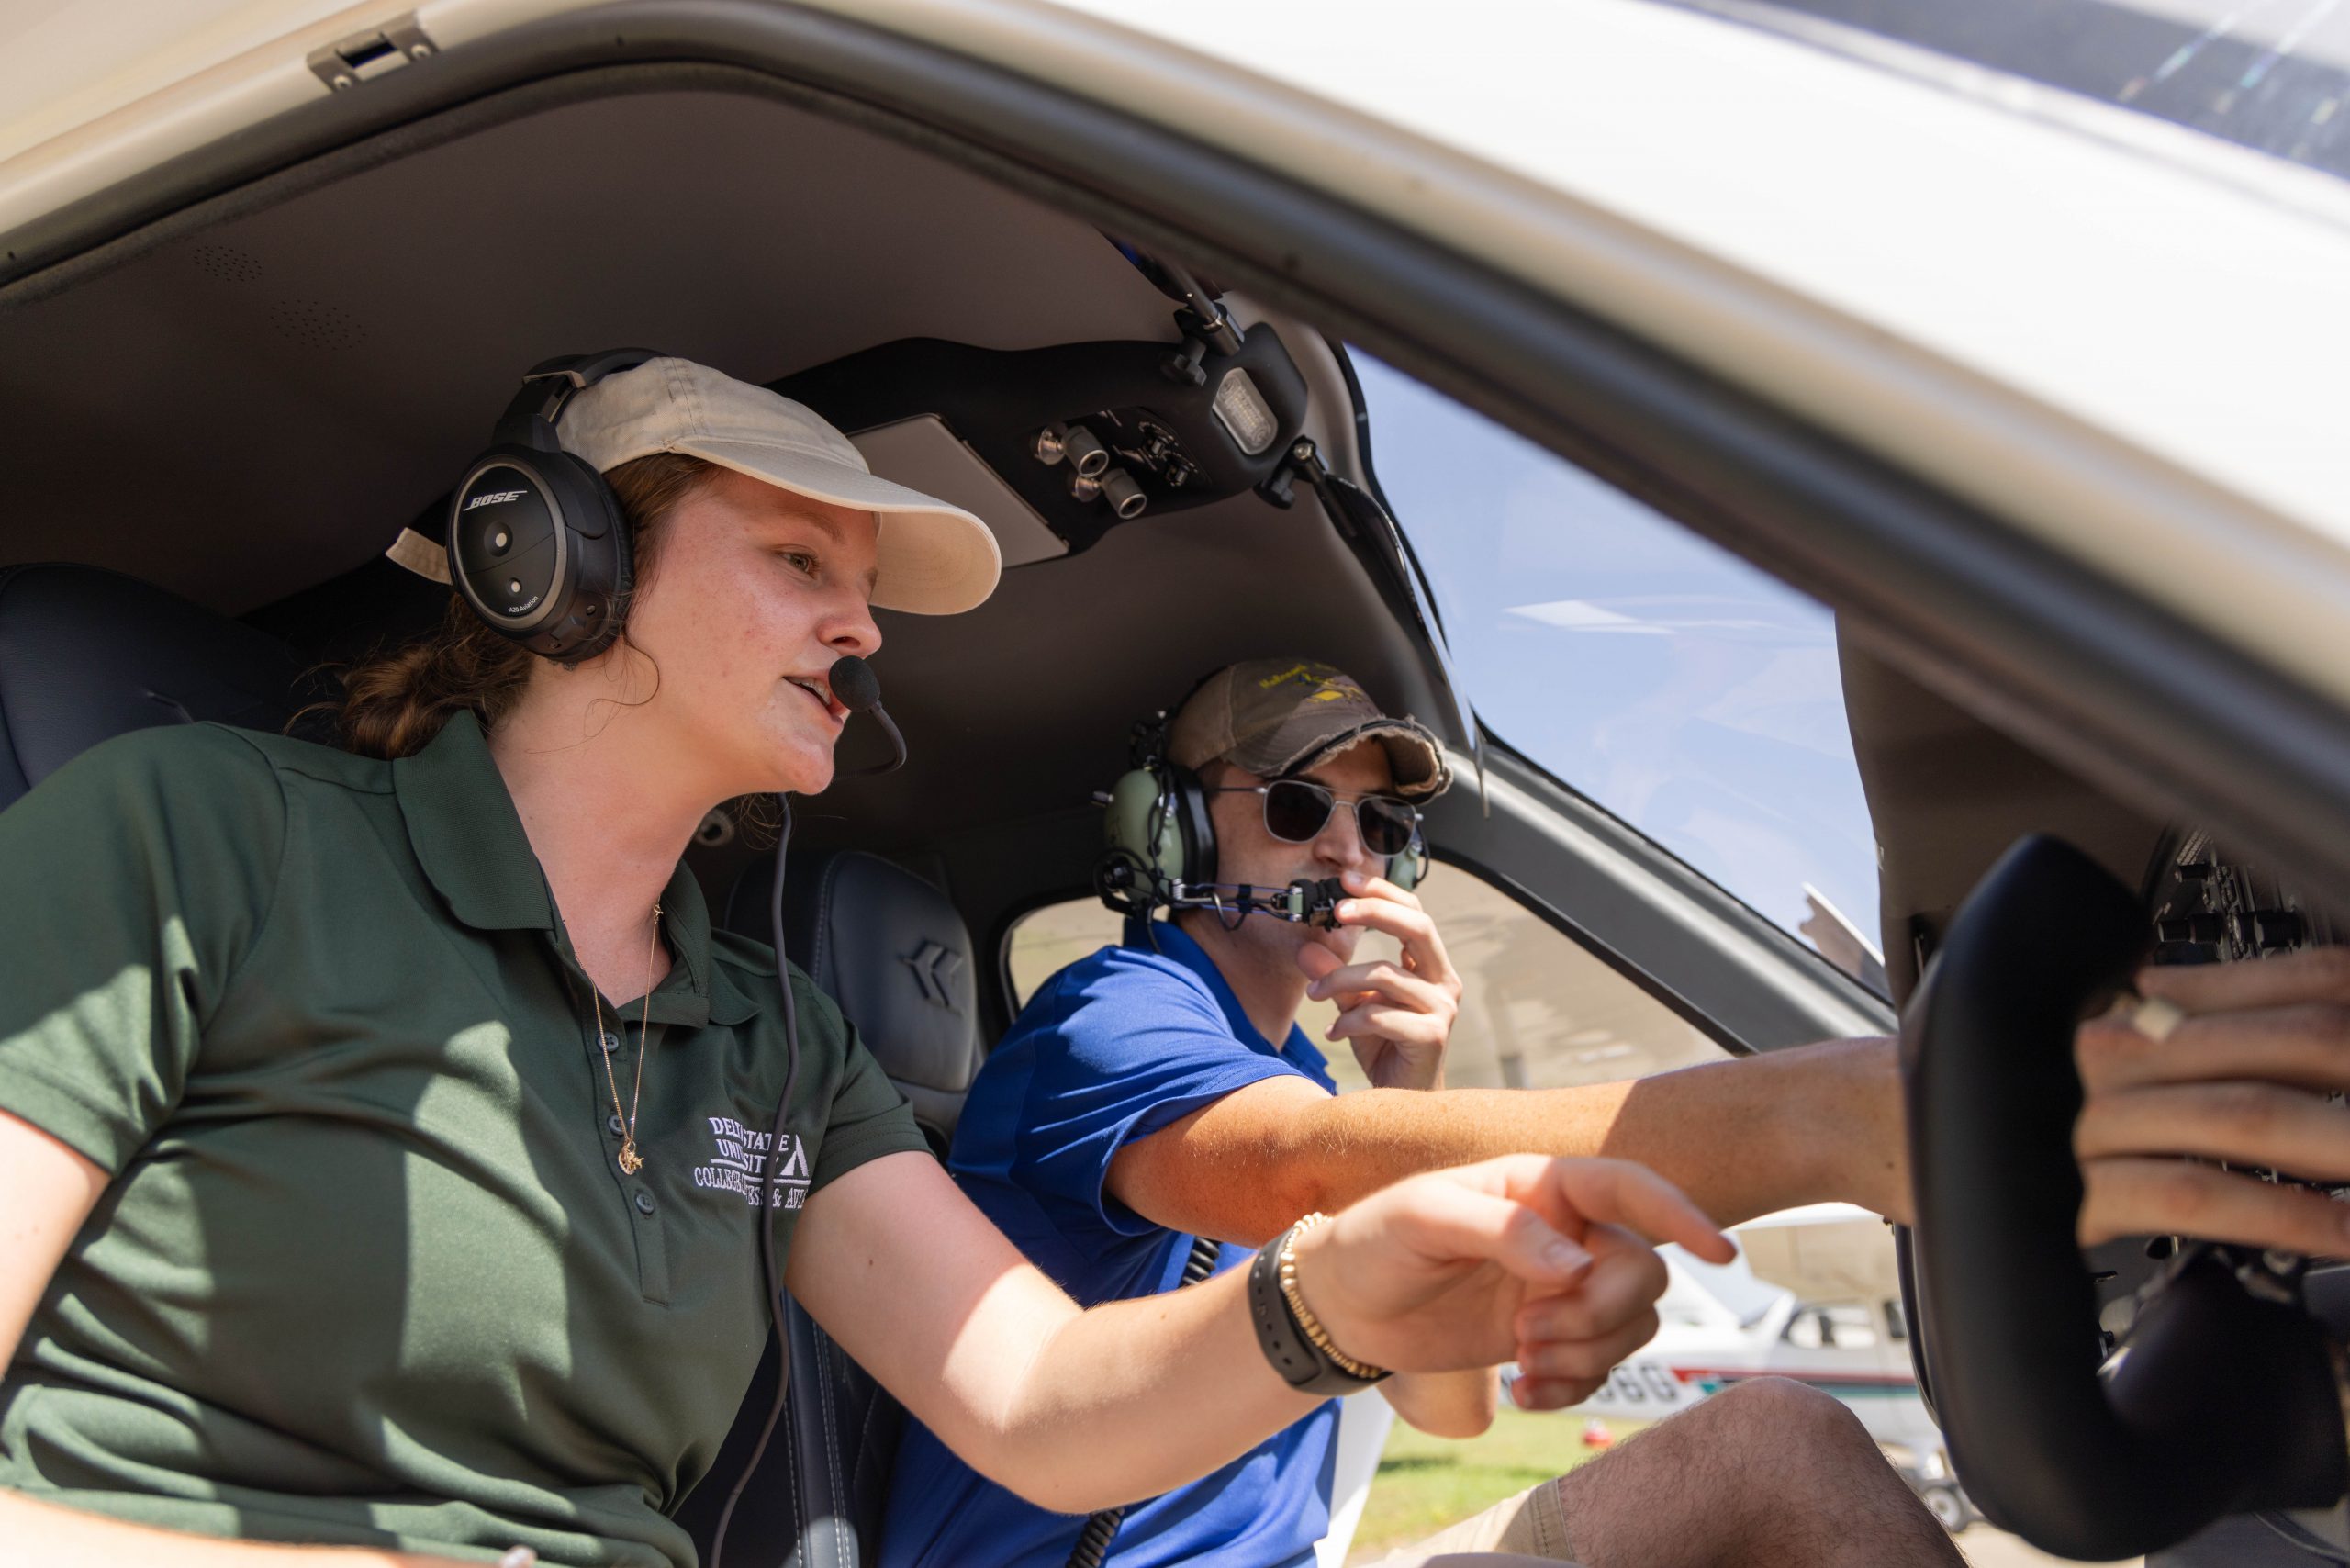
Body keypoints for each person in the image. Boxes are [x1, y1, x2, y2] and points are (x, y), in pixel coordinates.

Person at [0, 360, 1737, 1567]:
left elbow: (1045, 1405)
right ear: (561, 563)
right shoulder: (202, 838)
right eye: (798, 559)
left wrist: (1337, 1295)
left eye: (864, 583)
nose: (863, 624)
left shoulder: (774, 1040)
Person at [882, 658, 2350, 1568]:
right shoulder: (1112, 1015)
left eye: (1381, 823)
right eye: (1293, 804)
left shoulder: (1323, 1088)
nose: (1347, 847)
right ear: (1174, 824)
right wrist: (1836, 1115)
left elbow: (1444, 1407)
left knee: (1781, 1449)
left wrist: (1408, 1103)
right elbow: (1275, 1170)